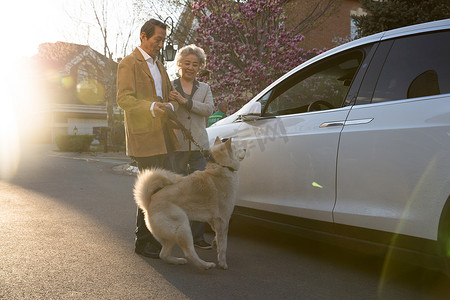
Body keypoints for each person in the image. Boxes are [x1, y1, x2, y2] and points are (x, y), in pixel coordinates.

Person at [117, 19, 179, 259]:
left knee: (160, 189)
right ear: (144, 36)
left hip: (164, 134)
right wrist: (152, 106)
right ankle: (143, 242)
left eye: (163, 40)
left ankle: (153, 239)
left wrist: (171, 103)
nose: (161, 45)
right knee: (150, 190)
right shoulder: (128, 63)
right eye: (157, 40)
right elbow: (124, 99)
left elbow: (167, 95)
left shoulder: (160, 65)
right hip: (144, 136)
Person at [169, 44, 215, 249]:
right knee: (175, 191)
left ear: (200, 67)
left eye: (195, 64)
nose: (190, 67)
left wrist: (186, 102)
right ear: (179, 64)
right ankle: (174, 234)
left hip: (199, 147)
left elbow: (209, 109)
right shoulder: (169, 86)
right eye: (187, 63)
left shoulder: (205, 88)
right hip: (176, 146)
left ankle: (197, 237)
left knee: (200, 192)